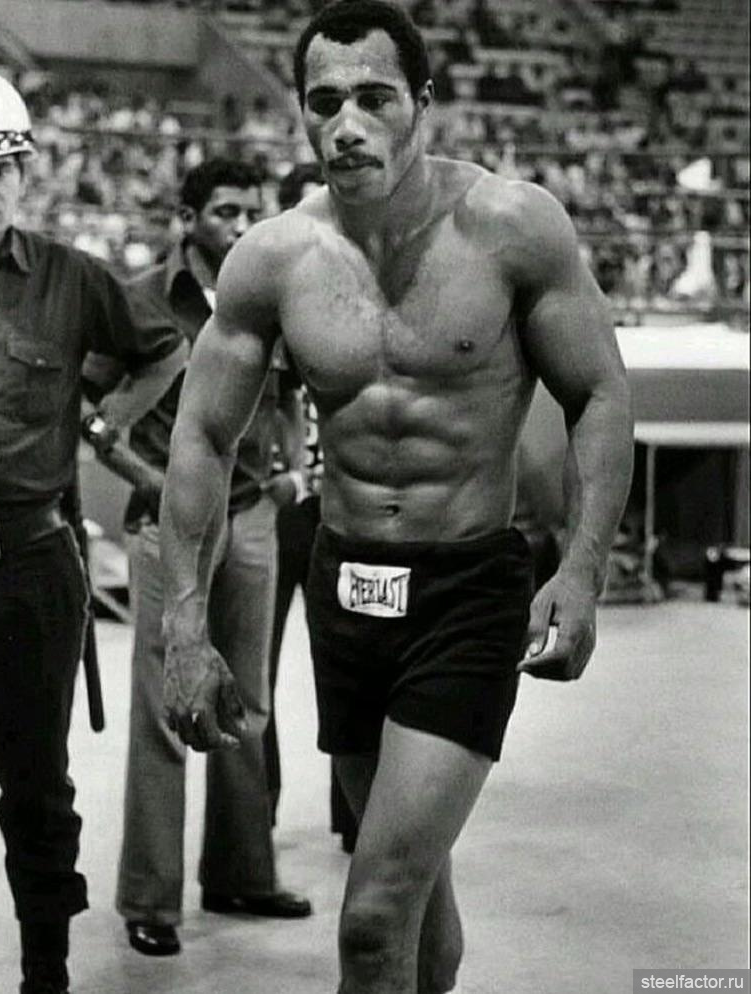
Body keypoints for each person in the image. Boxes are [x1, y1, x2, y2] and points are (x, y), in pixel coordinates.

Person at [158, 2, 634, 992]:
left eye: (374, 98)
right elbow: (201, 435)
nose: (346, 125)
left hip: (467, 594)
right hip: (346, 595)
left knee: (372, 922)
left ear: (423, 102)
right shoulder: (274, 258)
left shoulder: (512, 227)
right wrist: (184, 625)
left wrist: (582, 572)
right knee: (414, 910)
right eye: (324, 102)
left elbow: (597, 393)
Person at [0, 69, 187, 994]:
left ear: (25, 172)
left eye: (2, 168)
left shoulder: (71, 279)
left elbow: (164, 349)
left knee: (38, 785)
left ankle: (47, 972)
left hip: (34, 565)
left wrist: (105, 424)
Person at [102, 159, 311, 960]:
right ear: (187, 219)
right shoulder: (141, 300)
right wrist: (149, 481)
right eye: (225, 211)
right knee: (164, 707)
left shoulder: (267, 291)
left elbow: (287, 394)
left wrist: (293, 472)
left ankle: (242, 874)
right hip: (168, 528)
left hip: (251, 512)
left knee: (248, 701)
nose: (241, 225)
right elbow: (91, 407)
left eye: (251, 211)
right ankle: (149, 898)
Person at [264, 160, 359, 852]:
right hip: (279, 507)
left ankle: (358, 817)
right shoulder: (266, 294)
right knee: (254, 669)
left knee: (354, 662)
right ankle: (255, 816)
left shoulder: (369, 293)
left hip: (347, 506)